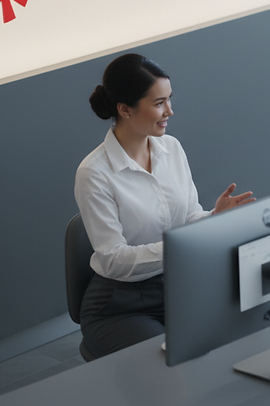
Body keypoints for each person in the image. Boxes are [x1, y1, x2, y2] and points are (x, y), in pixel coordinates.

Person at [74, 53, 255, 358]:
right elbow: (114, 259)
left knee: (246, 329)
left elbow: (187, 217)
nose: (170, 110)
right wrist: (180, 245)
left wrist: (213, 219)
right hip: (121, 303)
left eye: (169, 99)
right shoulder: (94, 173)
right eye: (159, 103)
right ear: (125, 109)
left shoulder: (171, 148)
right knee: (169, 365)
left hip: (179, 284)